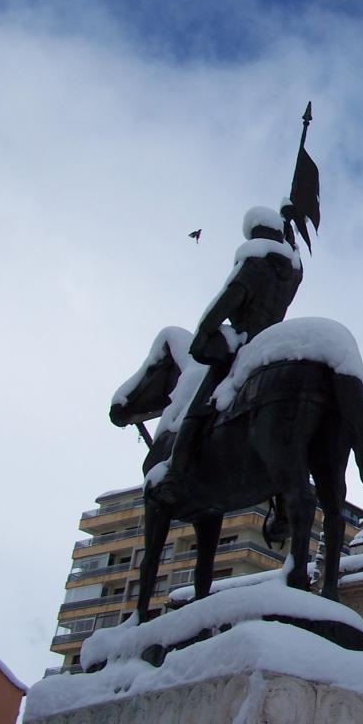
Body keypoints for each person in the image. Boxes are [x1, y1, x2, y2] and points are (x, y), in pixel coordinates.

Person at [151, 204, 303, 512]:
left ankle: (175, 474)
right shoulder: (291, 271)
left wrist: (206, 331)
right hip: (270, 346)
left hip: (242, 345)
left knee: (197, 409)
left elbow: (229, 299)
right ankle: (282, 506)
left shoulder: (254, 262)